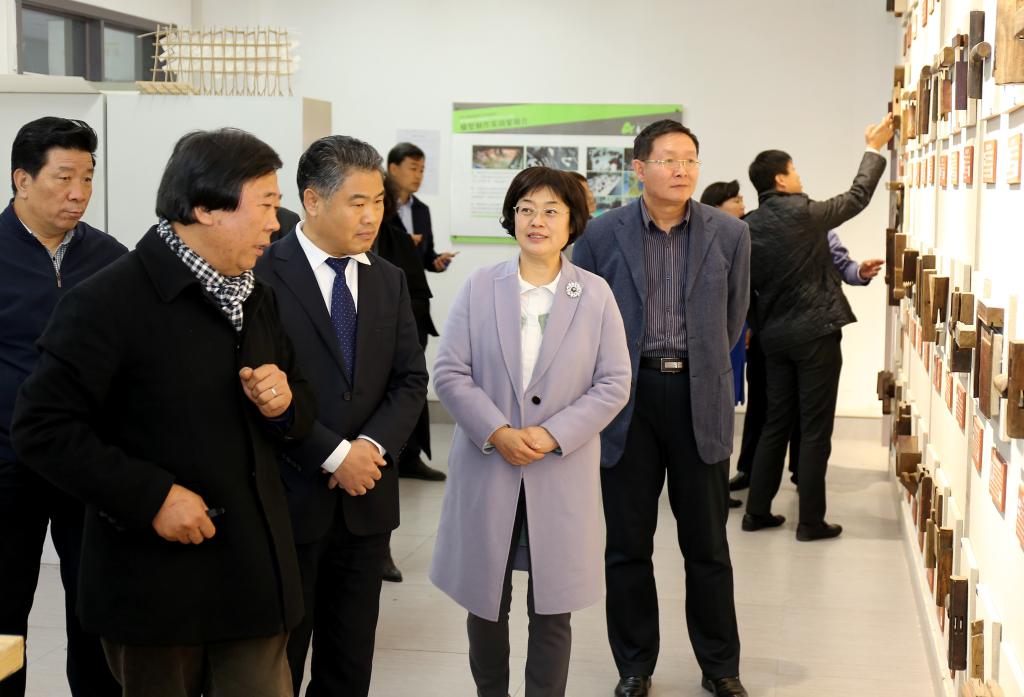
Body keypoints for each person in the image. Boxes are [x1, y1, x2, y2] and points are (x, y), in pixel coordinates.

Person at [12, 127, 315, 697]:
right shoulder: (106, 301)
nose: (276, 225)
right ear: (206, 208)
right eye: (266, 205)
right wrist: (151, 496)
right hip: (154, 586)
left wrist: (284, 404)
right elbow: (41, 428)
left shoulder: (256, 296)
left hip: (253, 578)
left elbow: (298, 407)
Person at [430, 166, 630, 697]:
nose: (536, 221)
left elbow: (614, 382)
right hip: (489, 466)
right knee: (485, 603)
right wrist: (497, 430)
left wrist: (552, 434)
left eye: (550, 211)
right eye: (525, 209)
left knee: (552, 608)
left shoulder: (595, 294)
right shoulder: (480, 286)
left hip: (558, 470)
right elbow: (449, 372)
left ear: (572, 223)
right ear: (511, 217)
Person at [573, 120, 750, 697]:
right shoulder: (602, 234)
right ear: (639, 168)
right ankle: (634, 665)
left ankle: (720, 666)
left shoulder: (730, 233)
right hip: (627, 398)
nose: (682, 170)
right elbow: (583, 320)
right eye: (669, 159)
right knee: (628, 544)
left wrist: (701, 363)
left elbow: (732, 319)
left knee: (708, 545)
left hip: (700, 395)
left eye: (690, 159)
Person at [255, 135, 427, 697]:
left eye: (378, 202)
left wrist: (369, 450)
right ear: (312, 199)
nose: (372, 216)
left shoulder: (387, 278)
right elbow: (256, 391)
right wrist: (333, 456)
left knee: (349, 666)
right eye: (358, 202)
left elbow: (409, 379)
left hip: (366, 503)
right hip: (289, 498)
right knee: (277, 664)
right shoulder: (262, 275)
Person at [0, 117, 125, 697]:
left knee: (95, 610)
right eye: (64, 177)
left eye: (88, 178)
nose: (79, 193)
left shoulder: (110, 258)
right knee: (3, 618)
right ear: (22, 179)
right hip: (7, 465)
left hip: (87, 465)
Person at [741, 114, 893, 542]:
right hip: (816, 335)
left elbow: (743, 289)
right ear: (780, 179)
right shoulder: (804, 214)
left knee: (775, 423)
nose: (800, 177)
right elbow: (857, 197)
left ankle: (756, 511)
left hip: (775, 340)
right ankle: (810, 521)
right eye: (794, 171)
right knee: (814, 429)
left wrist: (759, 327)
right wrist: (873, 148)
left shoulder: (747, 226)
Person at [698, 182, 885, 497]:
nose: (740, 203)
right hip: (765, 334)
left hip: (796, 333)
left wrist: (860, 272)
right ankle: (755, 476)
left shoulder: (810, 222)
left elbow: (844, 265)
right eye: (734, 199)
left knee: (799, 412)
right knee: (765, 410)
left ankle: (796, 477)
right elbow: (739, 287)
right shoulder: (752, 229)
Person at [386, 142, 451, 482]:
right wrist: (400, 243)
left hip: (415, 303)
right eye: (413, 168)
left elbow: (426, 256)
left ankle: (411, 456)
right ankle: (385, 455)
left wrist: (436, 261)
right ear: (392, 168)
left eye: (423, 169)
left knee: (412, 378)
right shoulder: (380, 206)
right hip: (384, 302)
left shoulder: (422, 209)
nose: (418, 175)